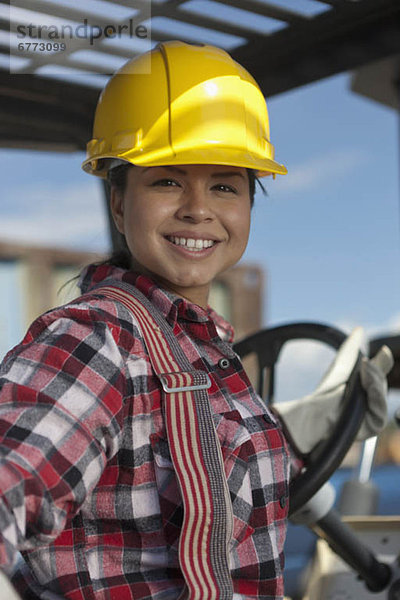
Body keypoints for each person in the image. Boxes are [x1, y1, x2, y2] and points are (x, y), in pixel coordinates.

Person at [0, 40, 392, 600]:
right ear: (118, 202)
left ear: (249, 207)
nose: (198, 208)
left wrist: (294, 437)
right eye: (167, 180)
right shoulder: (95, 339)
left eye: (225, 186)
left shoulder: (203, 351)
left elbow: (199, 471)